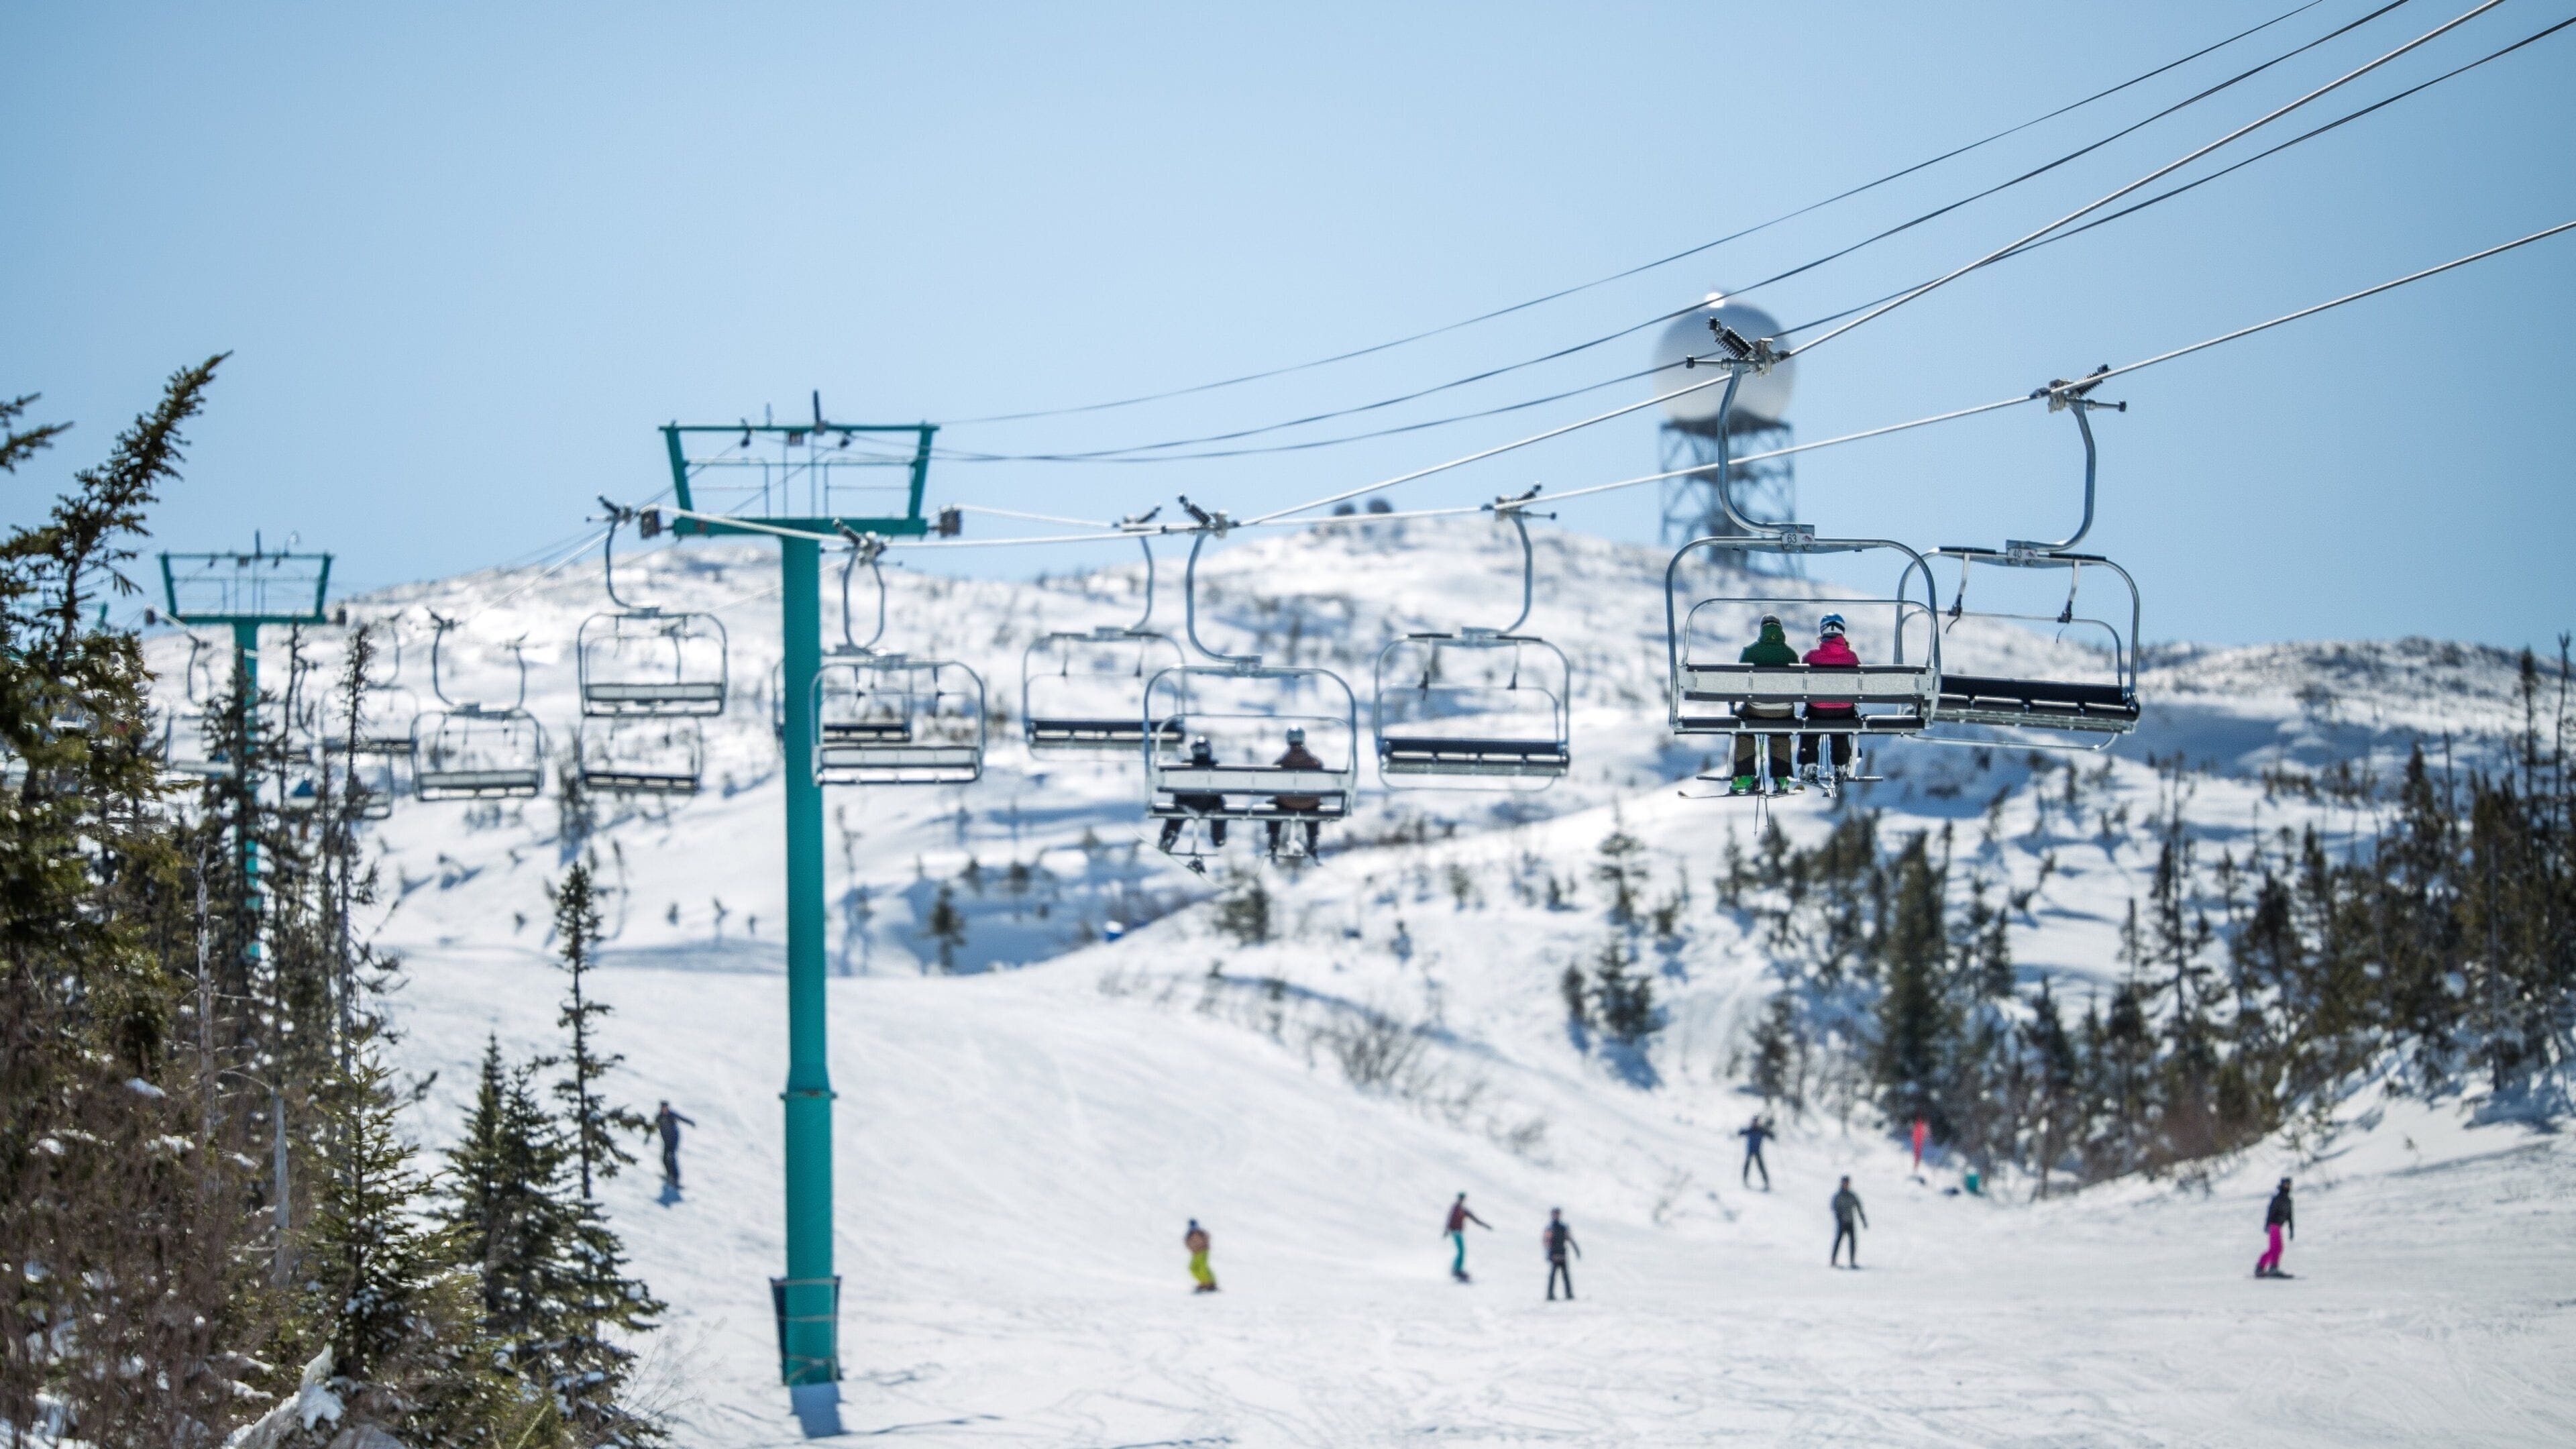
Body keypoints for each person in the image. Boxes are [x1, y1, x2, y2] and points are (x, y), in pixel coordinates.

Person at [1730, 614, 1800, 794]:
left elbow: (1741, 682)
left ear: (1762, 630)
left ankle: (1745, 777)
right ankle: (1782, 779)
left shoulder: (1750, 652)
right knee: (1780, 733)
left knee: (1744, 730)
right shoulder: (1791, 654)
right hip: (1784, 711)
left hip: (1756, 710)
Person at [1799, 614, 1860, 782]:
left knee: (1810, 723)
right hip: (1844, 711)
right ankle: (1841, 765)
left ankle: (1809, 764)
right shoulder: (1852, 657)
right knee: (1840, 728)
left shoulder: (1811, 657)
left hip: (1817, 710)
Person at [1157, 737, 1228, 853]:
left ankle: (1169, 836)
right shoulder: (1215, 769)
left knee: (1177, 811)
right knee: (1220, 811)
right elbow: (1222, 790)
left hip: (1189, 804)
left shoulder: (1185, 768)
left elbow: (1177, 788)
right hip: (1207, 805)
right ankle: (1219, 838)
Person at [1265, 726, 1326, 857]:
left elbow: (1273, 781)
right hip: (1310, 805)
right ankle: (1312, 842)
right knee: (1314, 807)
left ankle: (1274, 840)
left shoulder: (1282, 762)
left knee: (1273, 807)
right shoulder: (1314, 762)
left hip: (1286, 803)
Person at [1443, 1192, 1491, 1282]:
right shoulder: (1456, 1208)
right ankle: (1456, 1269)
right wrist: (1446, 1230)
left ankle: (1456, 1269)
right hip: (1455, 1231)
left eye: (1463, 1199)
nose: (1462, 1200)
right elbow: (1450, 1218)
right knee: (1461, 1251)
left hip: (1459, 1232)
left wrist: (1485, 1225)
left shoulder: (1463, 1210)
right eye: (1461, 1198)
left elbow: (1475, 1220)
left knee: (1461, 1251)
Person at [2255, 1177, 2296, 1278]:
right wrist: (2267, 1225)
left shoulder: (2289, 1200)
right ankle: (2272, 1267)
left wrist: (2291, 1230)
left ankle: (2261, 1266)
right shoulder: (2278, 1198)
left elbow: (2290, 1216)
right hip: (2274, 1225)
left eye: (2289, 1184)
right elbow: (2271, 1212)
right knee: (2277, 1248)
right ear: (2282, 1185)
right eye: (2286, 1184)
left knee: (2275, 1248)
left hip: (2279, 1226)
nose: (2287, 1186)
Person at [653, 1100, 696, 1189]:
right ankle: (669, 1176)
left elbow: (682, 1118)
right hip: (666, 1141)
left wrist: (690, 1122)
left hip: (673, 1140)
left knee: (671, 1158)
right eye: (663, 1107)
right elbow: (652, 1127)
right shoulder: (659, 1117)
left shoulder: (671, 1115)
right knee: (664, 1159)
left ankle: (675, 1179)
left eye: (666, 1107)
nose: (665, 1109)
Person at [1542, 1208, 1580, 1301]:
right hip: (1554, 1255)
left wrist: (1576, 1250)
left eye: (1558, 1214)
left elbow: (1570, 1239)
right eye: (1555, 1214)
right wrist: (1548, 1253)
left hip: (1562, 1254)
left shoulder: (1563, 1227)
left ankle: (1569, 1293)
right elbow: (1546, 1242)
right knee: (1553, 1275)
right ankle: (1550, 1294)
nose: (1556, 1215)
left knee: (1566, 1275)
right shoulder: (1550, 1228)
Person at [1830, 1176, 1867, 1269]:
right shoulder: (1838, 1196)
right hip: (1842, 1222)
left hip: (1850, 1222)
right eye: (1845, 1183)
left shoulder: (1852, 1196)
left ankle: (1852, 1261)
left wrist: (1863, 1220)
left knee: (1852, 1242)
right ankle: (1833, 1261)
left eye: (1847, 1183)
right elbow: (1834, 1208)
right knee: (1838, 1241)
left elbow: (1859, 1208)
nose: (1846, 1185)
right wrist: (1839, 1219)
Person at [1737, 1114, 1773, 1191]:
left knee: (1761, 1167)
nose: (1755, 1123)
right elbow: (1742, 1132)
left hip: (1757, 1152)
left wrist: (1771, 1135)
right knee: (1747, 1166)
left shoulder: (1761, 1131)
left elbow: (1769, 1135)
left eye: (1756, 1122)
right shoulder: (1750, 1130)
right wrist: (1740, 1132)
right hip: (1750, 1151)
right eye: (1754, 1121)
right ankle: (1745, 1180)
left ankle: (1766, 1182)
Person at [1184, 1218, 1218, 1293]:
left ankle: (1210, 1283)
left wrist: (1204, 1246)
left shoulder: (1200, 1233)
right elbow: (1187, 1243)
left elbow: (1207, 1238)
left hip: (1203, 1252)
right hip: (1195, 1253)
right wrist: (1193, 1249)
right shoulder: (1189, 1235)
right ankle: (1203, 1282)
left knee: (1202, 1267)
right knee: (1193, 1268)